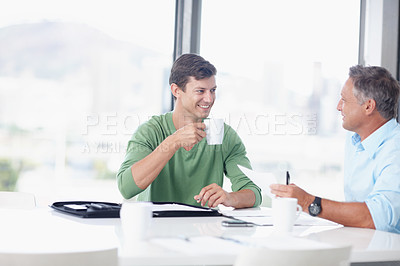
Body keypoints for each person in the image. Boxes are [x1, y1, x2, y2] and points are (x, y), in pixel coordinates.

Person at [117, 53, 261, 209]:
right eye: (200, 91)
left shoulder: (224, 135)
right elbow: (127, 188)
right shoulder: (150, 131)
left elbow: (254, 192)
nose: (209, 99)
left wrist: (230, 197)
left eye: (212, 90)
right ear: (176, 90)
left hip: (205, 230)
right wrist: (174, 142)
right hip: (157, 228)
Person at [270, 65, 400, 234]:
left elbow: (377, 218)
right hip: (363, 242)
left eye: (344, 100)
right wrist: (299, 198)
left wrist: (308, 202)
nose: (338, 107)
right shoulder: (354, 139)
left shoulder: (395, 150)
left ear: (368, 106)